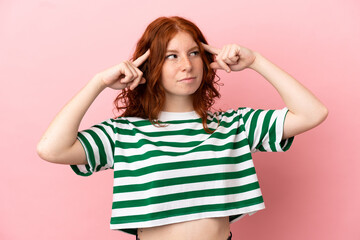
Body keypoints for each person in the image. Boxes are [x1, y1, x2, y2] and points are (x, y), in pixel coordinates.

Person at [37, 16, 328, 240]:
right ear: (149, 66)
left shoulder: (234, 125)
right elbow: (51, 148)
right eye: (171, 56)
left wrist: (256, 61)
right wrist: (98, 83)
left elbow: (313, 113)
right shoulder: (123, 134)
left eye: (193, 53)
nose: (187, 65)